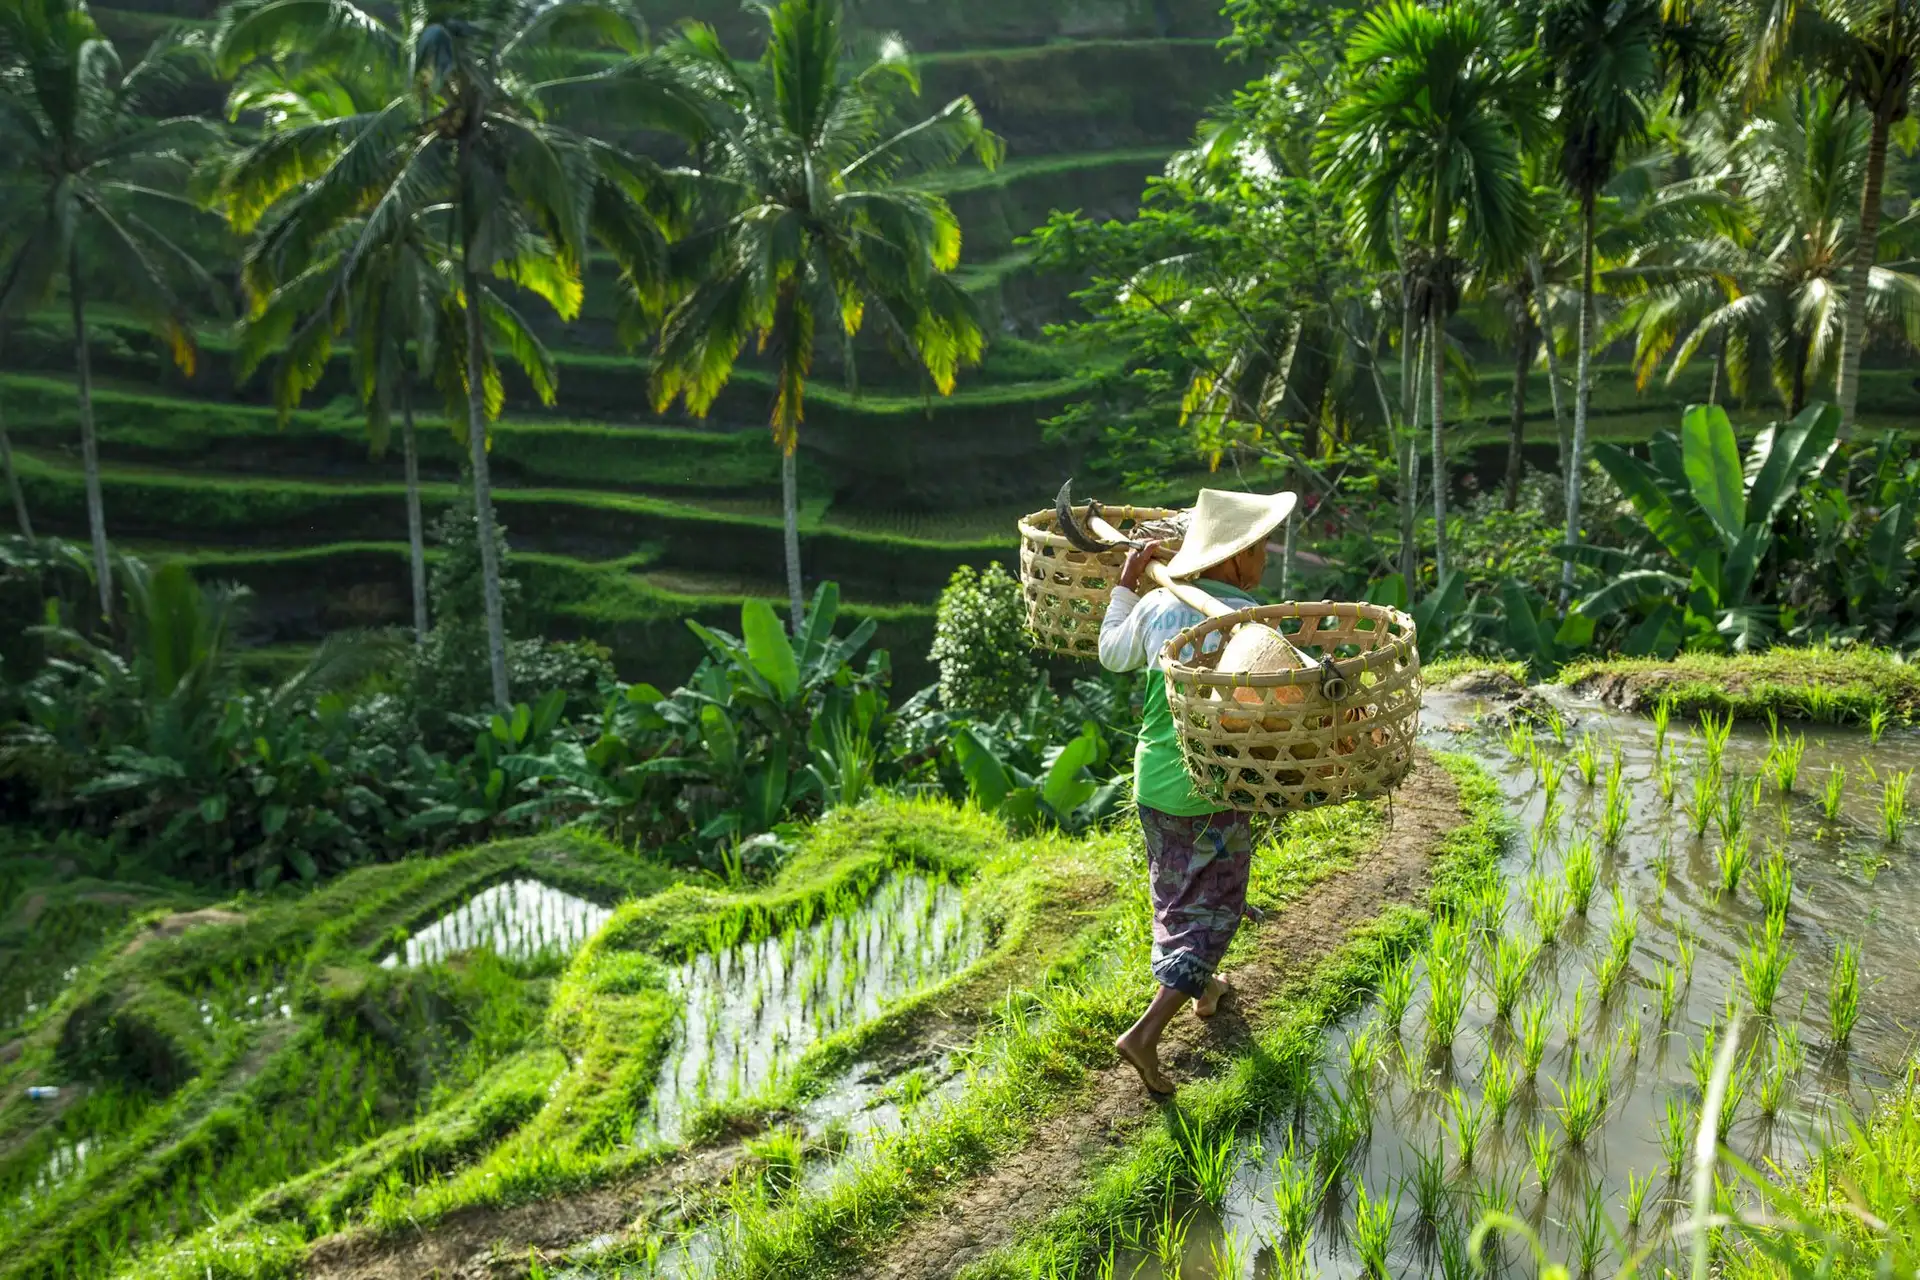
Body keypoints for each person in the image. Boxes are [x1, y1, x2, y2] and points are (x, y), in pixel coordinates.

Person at [1097, 487, 1297, 1095]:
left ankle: (1205, 990)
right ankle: (1146, 1034)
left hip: (1154, 778)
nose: (1265, 557)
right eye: (1260, 547)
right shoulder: (1250, 626)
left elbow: (1111, 654)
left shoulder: (1160, 606)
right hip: (1213, 787)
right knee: (1216, 911)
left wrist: (1127, 587)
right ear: (1236, 558)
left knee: (1175, 893)